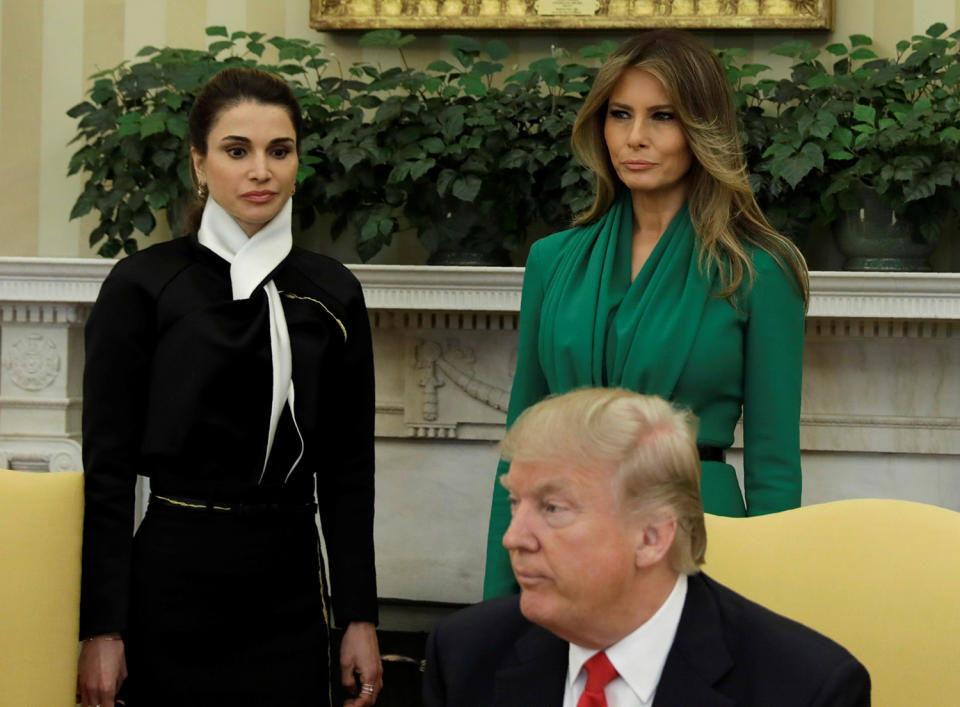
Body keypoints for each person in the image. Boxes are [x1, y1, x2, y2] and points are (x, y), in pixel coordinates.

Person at [76, 67, 382, 707]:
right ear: (199, 162)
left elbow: (350, 471)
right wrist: (100, 628)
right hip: (170, 582)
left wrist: (359, 617)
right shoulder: (142, 285)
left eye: (280, 150)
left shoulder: (334, 292)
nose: (261, 171)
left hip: (291, 589)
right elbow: (106, 473)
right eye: (236, 151)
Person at [484, 29, 810, 598]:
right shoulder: (552, 261)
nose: (635, 137)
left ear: (702, 129)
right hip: (564, 531)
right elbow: (521, 442)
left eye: (662, 116)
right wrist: (499, 598)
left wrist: (770, 606)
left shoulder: (759, 271)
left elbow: (774, 465)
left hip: (699, 537)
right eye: (619, 114)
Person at [426, 388, 870, 706]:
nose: (513, 537)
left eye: (553, 508)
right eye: (514, 502)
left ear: (652, 537)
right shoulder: (466, 653)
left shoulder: (806, 687)